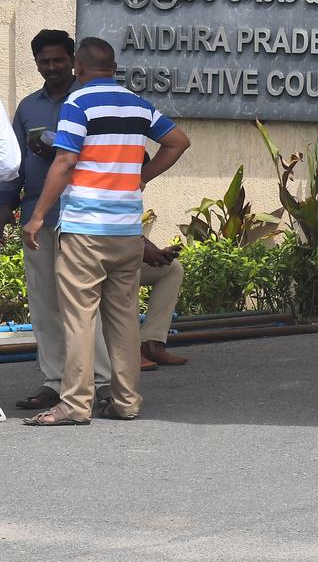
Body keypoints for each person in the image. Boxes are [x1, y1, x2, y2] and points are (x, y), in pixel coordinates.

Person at [21, 37, 191, 426]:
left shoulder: (77, 104)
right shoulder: (138, 105)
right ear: (113, 67)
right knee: (123, 318)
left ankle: (75, 404)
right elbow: (178, 141)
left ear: (79, 68)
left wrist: (37, 216)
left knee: (79, 318)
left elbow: (64, 162)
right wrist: (140, 177)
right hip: (127, 231)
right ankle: (126, 401)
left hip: (84, 229)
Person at [0, 30, 112, 412]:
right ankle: (54, 381)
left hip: (80, 216)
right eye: (44, 61)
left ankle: (99, 382)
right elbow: (11, 166)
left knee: (81, 304)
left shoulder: (86, 103)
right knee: (45, 304)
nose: (51, 67)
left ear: (73, 61)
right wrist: (5, 210)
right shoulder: (28, 107)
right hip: (36, 217)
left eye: (59, 60)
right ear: (36, 64)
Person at [139, 238, 189, 368]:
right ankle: (128, 350)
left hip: (122, 248)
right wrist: (145, 250)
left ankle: (151, 343)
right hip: (93, 255)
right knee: (125, 271)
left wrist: (155, 253)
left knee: (172, 268)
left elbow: (129, 227)